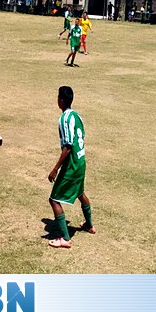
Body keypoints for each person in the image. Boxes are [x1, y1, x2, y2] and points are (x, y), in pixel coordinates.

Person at [47, 86, 95, 248]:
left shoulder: (64, 119)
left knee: (54, 199)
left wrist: (55, 168)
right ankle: (89, 225)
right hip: (81, 161)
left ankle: (65, 238)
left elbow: (67, 146)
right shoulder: (77, 116)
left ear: (60, 100)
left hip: (72, 163)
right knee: (80, 193)